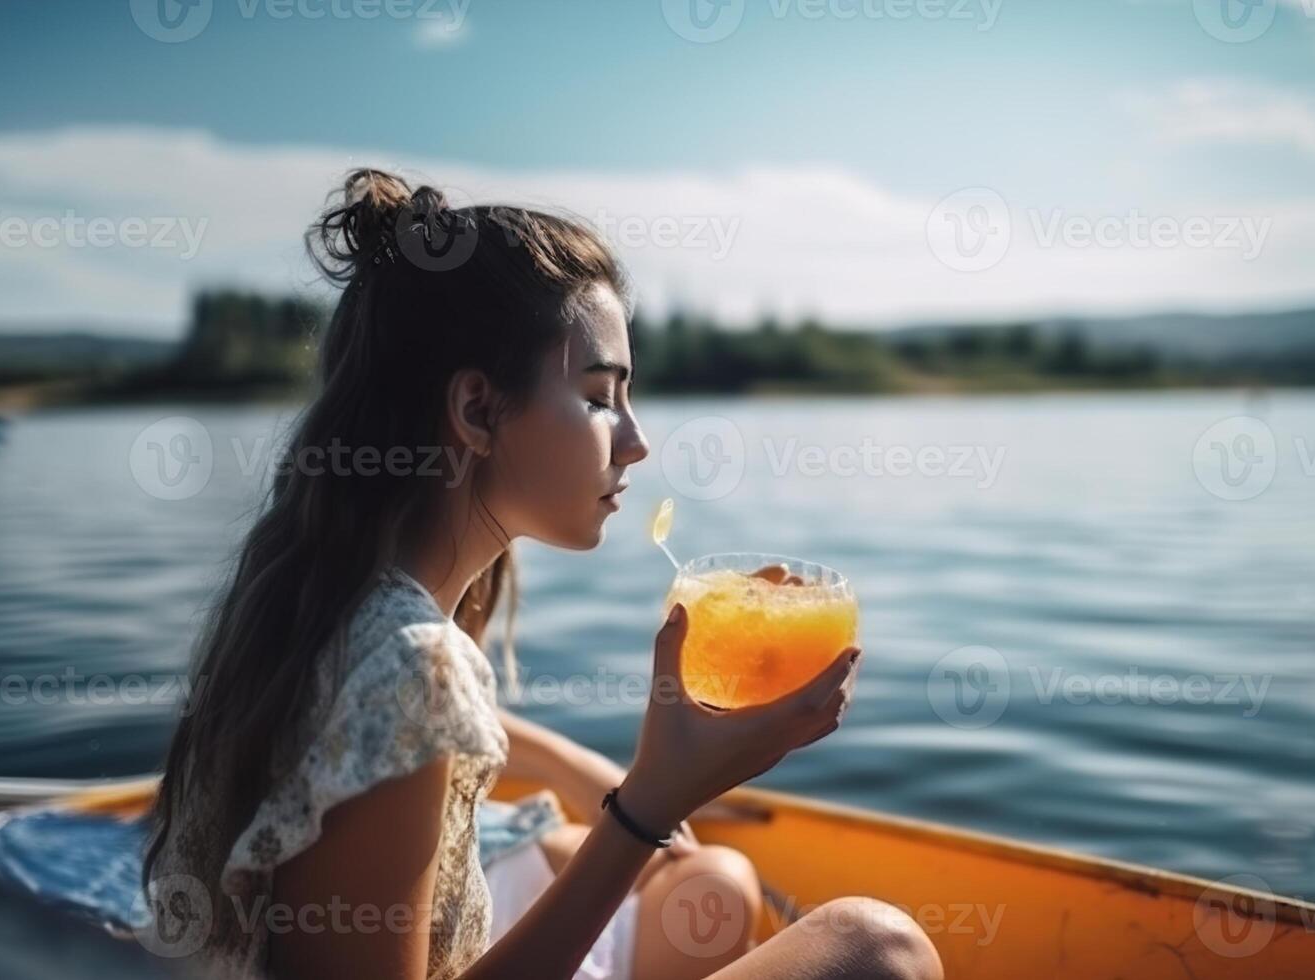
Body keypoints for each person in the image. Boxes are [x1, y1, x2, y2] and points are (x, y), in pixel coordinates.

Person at [142, 168, 943, 980]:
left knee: (716, 888)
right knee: (877, 948)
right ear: (477, 412)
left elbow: (381, 729)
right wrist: (648, 804)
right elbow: (398, 706)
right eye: (600, 398)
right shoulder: (411, 662)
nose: (634, 442)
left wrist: (573, 766)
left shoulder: (313, 591)